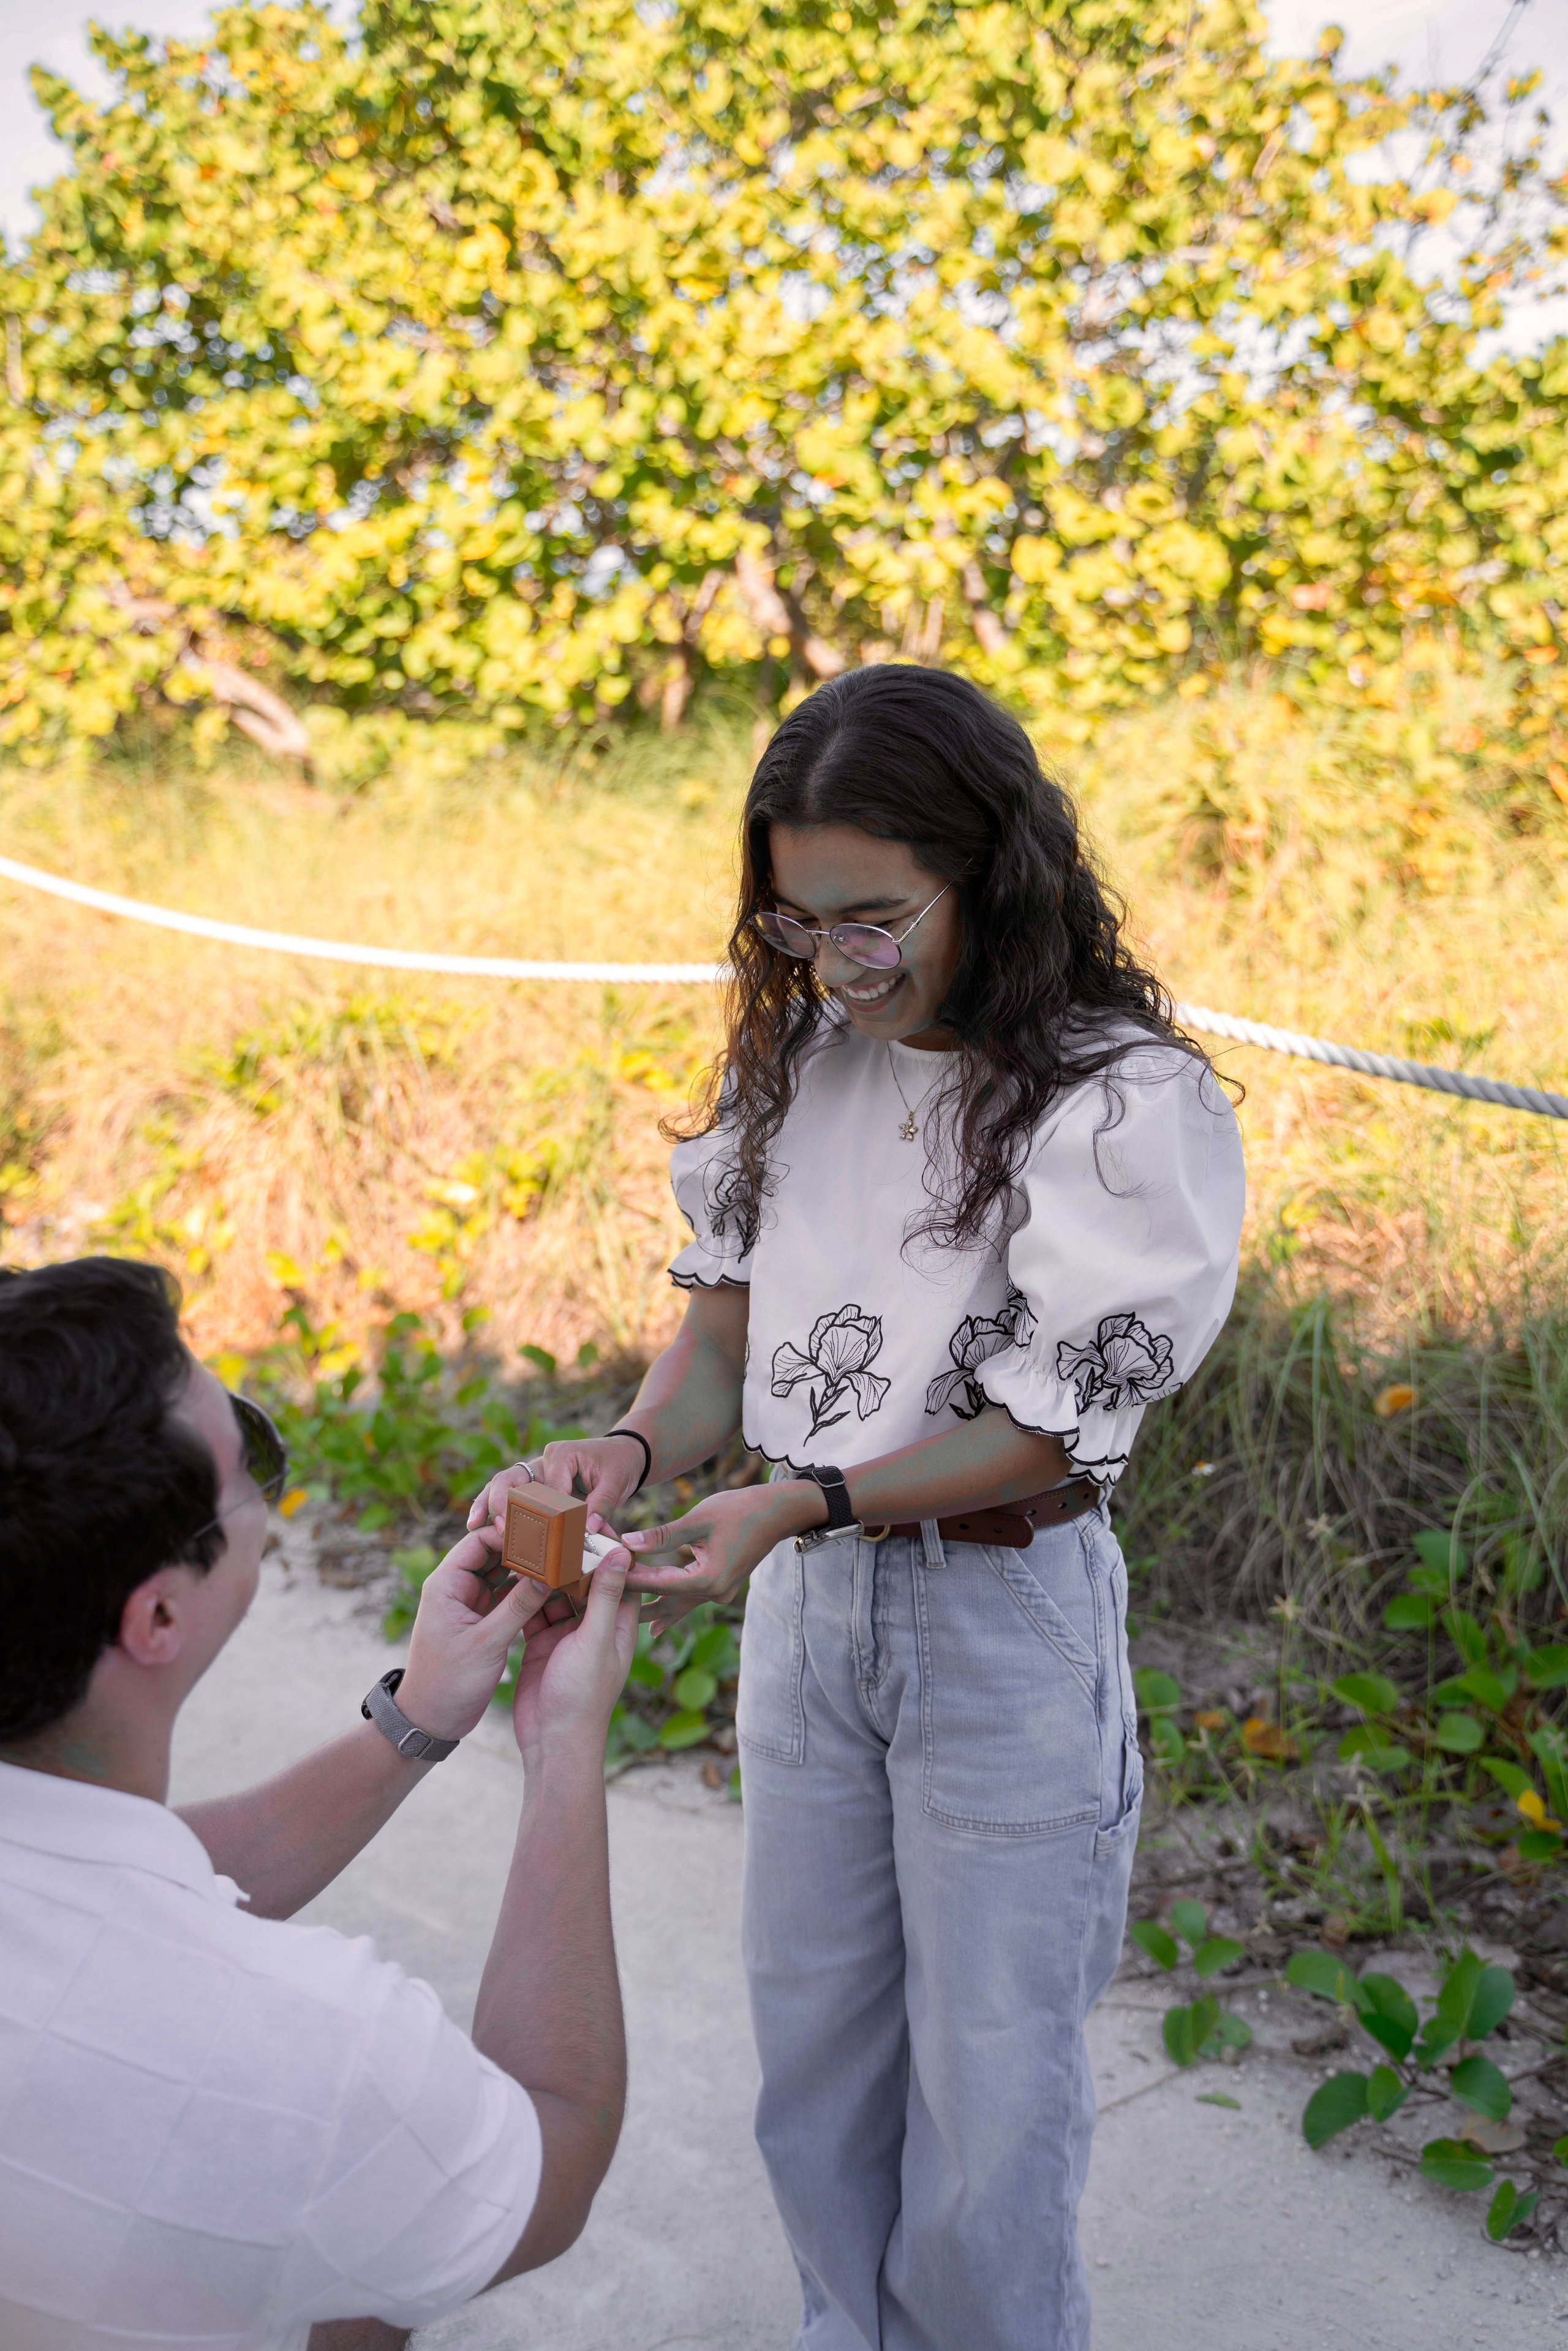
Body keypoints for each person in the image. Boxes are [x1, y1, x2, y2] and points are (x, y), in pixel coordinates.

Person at [471, 665, 1246, 2351]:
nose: (842, 961)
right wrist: (628, 1450)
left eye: (880, 913)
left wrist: (801, 1498)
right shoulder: (803, 1068)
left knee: (990, 2080)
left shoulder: (1121, 1099)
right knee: (815, 2050)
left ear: (996, 868)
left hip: (996, 1619)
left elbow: (1053, 1419)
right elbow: (720, 1341)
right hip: (810, 1608)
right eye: (801, 921)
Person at [0, 1254, 638, 2351]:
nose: (263, 1478)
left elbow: (146, 1880)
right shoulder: (317, 2053)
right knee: (368, 2296)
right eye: (254, 1462)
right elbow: (555, 2150)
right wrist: (566, 1739)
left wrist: (421, 1714)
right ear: (157, 1617)